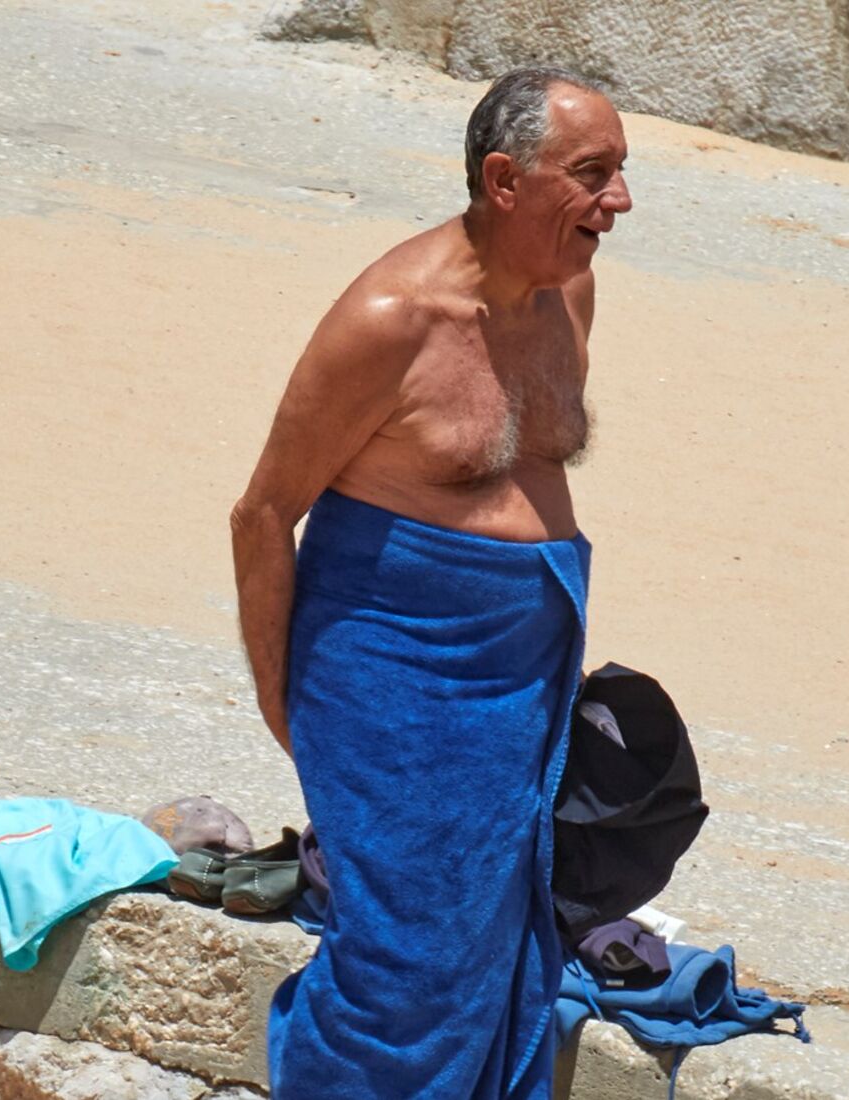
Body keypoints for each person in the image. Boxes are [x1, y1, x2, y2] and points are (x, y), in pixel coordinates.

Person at [231, 66, 632, 1100]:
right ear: (504, 180)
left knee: (503, 949)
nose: (619, 202)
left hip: (526, 678)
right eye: (592, 175)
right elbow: (263, 514)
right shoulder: (389, 319)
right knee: (397, 969)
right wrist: (286, 705)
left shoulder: (570, 295)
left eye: (620, 173)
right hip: (393, 679)